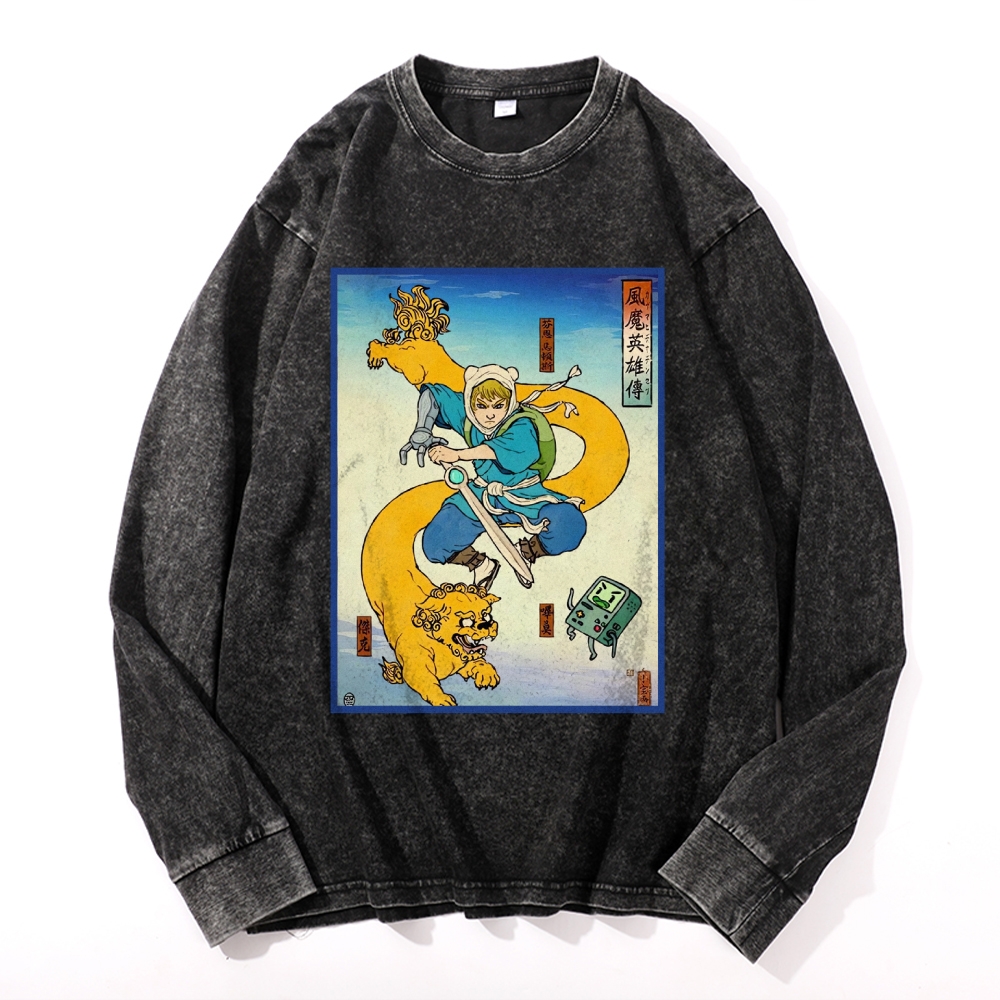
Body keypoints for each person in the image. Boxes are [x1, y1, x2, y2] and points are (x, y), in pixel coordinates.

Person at [400, 364, 586, 589]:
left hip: (524, 493)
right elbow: (434, 394)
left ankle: (528, 551)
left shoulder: (521, 422)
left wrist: (458, 454)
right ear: (471, 402)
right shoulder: (468, 417)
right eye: (481, 406)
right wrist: (422, 429)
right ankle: (481, 565)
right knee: (434, 542)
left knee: (570, 523)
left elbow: (499, 450)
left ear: (509, 402)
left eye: (498, 406)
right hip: (480, 494)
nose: (489, 414)